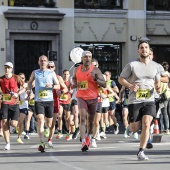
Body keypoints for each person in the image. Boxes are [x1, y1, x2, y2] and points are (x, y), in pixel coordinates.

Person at [118, 41, 161, 160]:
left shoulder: (155, 66)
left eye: (146, 47)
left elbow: (157, 80)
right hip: (135, 100)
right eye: (141, 48)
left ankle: (141, 151)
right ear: (138, 51)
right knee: (135, 128)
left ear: (149, 50)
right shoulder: (132, 65)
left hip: (149, 99)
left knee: (146, 124)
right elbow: (121, 79)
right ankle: (129, 127)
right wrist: (130, 86)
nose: (144, 49)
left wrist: (158, 87)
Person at [72, 50, 106, 152]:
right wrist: (75, 83)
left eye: (89, 57)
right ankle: (83, 141)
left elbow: (104, 84)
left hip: (93, 98)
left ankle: (89, 136)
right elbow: (74, 79)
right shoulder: (77, 69)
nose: (88, 59)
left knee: (91, 121)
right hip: (81, 97)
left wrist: (96, 79)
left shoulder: (95, 70)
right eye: (85, 57)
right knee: (82, 117)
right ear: (82, 59)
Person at [27, 55, 60, 152]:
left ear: (47, 62)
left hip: (49, 101)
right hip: (39, 101)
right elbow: (29, 82)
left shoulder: (51, 73)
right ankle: (42, 143)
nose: (43, 62)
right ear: (38, 62)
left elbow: (58, 86)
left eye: (45, 61)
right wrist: (29, 90)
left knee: (49, 123)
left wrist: (52, 86)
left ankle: (46, 129)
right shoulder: (35, 72)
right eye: (41, 61)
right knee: (40, 120)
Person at [0, 62, 24, 150]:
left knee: (13, 124)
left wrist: (17, 94)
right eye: (5, 68)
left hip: (15, 104)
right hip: (5, 103)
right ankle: (7, 143)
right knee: (5, 123)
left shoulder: (16, 77)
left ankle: (18, 127)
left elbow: (24, 86)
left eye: (8, 68)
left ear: (12, 69)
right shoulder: (1, 79)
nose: (6, 69)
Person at [46, 61, 68, 148]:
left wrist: (61, 91)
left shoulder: (58, 78)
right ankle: (45, 128)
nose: (50, 68)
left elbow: (65, 88)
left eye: (52, 67)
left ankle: (50, 140)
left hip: (55, 101)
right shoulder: (41, 76)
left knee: (52, 123)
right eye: (48, 67)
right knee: (43, 119)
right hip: (43, 101)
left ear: (54, 68)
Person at [17, 73, 32, 143]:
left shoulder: (26, 85)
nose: (21, 79)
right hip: (16, 105)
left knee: (21, 120)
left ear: (25, 78)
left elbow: (30, 93)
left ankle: (19, 136)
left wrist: (29, 97)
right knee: (15, 122)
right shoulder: (15, 85)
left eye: (23, 78)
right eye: (20, 78)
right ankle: (20, 130)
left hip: (24, 106)